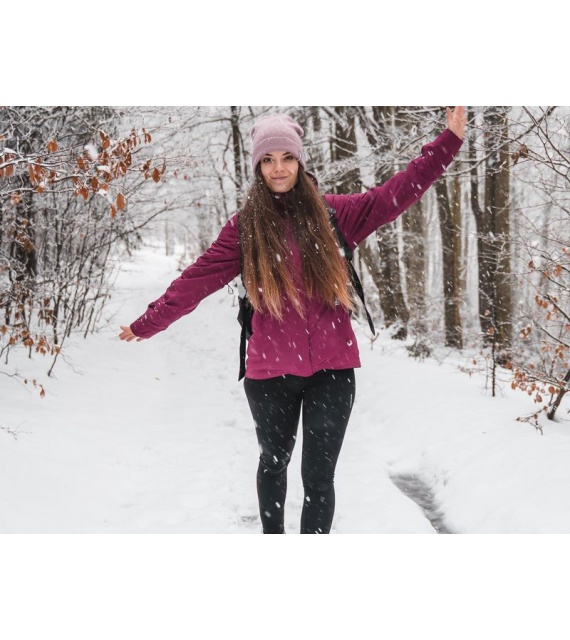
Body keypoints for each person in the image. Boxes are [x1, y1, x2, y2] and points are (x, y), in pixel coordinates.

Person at [119, 106, 466, 534]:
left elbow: (400, 191)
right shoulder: (245, 228)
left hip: (332, 373)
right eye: (268, 159)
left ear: (300, 161)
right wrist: (149, 322)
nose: (278, 168)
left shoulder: (334, 214)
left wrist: (448, 140)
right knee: (273, 462)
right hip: (270, 374)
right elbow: (197, 280)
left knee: (319, 479)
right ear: (257, 166)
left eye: (286, 157)